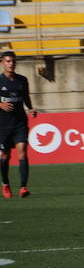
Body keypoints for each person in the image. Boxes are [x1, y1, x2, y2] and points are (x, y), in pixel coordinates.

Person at [0, 52, 37, 199]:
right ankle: (5, 183)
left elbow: (26, 97)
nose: (11, 64)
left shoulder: (22, 80)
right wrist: (0, 104)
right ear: (2, 62)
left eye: (13, 61)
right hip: (2, 125)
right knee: (5, 156)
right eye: (8, 61)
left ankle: (23, 187)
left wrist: (31, 108)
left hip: (20, 123)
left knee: (22, 151)